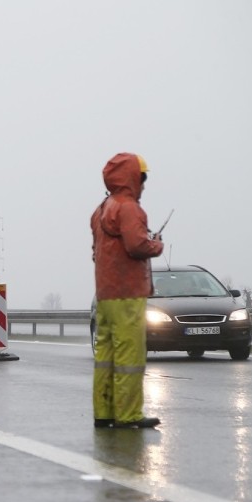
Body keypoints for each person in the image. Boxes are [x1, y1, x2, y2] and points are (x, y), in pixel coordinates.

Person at [90, 152, 164, 429]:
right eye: (142, 178)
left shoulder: (100, 210)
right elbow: (136, 246)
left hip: (106, 294)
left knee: (106, 357)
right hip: (128, 292)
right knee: (129, 356)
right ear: (134, 178)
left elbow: (99, 252)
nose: (143, 185)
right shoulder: (129, 208)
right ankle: (129, 414)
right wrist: (156, 244)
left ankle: (105, 412)